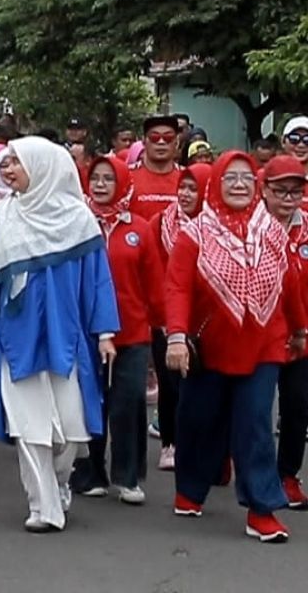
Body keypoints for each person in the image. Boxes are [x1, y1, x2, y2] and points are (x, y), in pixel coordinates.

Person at [0, 137, 119, 533]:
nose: (7, 170)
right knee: (30, 425)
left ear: (43, 166)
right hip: (16, 339)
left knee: (70, 429)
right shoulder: (1, 221)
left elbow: (98, 282)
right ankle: (42, 505)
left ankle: (60, 481)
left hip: (68, 339)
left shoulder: (79, 223)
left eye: (16, 163)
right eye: (5, 163)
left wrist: (105, 333)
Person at [165, 151, 303, 542]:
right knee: (199, 418)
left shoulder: (273, 231)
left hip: (264, 343)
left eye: (246, 177)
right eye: (231, 178)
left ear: (256, 184)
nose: (240, 185)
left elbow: (289, 284)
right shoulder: (194, 233)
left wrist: (300, 330)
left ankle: (261, 509)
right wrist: (177, 336)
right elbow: (177, 287)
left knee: (256, 423)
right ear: (217, 184)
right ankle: (190, 488)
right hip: (209, 345)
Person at [71, 156, 164, 505]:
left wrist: (163, 328)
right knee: (89, 403)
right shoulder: (79, 224)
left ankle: (128, 476)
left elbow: (154, 284)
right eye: (95, 177)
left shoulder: (139, 228)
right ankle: (91, 473)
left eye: (109, 178)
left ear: (122, 182)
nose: (100, 184)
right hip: (87, 332)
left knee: (128, 403)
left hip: (133, 332)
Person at [149, 164, 211, 472]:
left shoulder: (216, 227)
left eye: (193, 188)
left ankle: (202, 446)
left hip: (205, 320)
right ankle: (169, 443)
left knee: (200, 389)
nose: (185, 194)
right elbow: (149, 267)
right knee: (170, 384)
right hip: (165, 317)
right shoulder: (161, 222)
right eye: (182, 187)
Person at [259, 157, 308, 510]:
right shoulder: (250, 227)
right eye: (280, 191)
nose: (288, 198)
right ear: (264, 190)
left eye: (296, 191)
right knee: (255, 410)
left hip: (301, 334)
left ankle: (287, 475)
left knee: (297, 406)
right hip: (258, 335)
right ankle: (250, 469)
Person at [129, 115, 182, 220]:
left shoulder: (187, 177)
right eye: (154, 138)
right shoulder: (127, 175)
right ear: (144, 141)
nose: (161, 142)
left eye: (168, 138)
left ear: (176, 141)